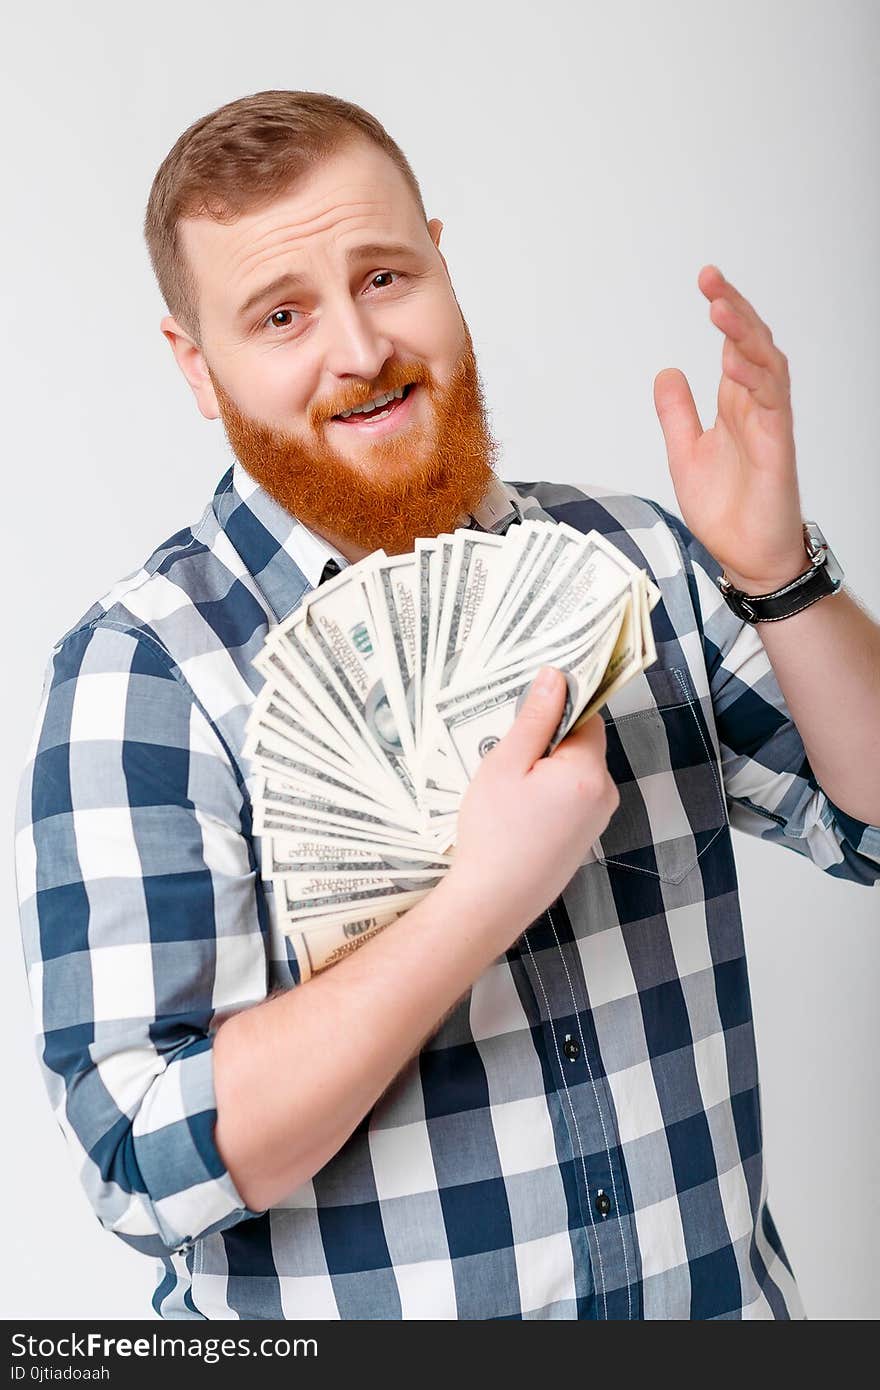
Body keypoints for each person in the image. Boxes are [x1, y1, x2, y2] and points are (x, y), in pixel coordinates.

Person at [14, 89, 880, 1323]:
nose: (360, 351)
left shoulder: (630, 560)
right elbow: (143, 1160)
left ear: (440, 260)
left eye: (382, 276)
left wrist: (778, 575)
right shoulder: (140, 674)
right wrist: (479, 898)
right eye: (281, 314)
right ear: (196, 368)